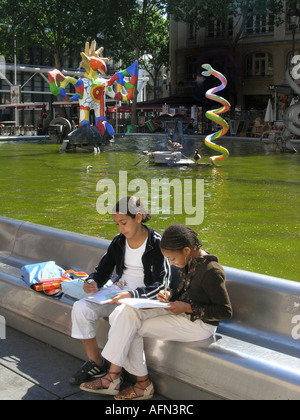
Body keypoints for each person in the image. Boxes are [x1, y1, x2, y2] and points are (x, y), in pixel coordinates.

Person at [80, 223, 232, 400]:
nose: (170, 263)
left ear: (186, 251)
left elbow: (224, 311)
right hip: (179, 311)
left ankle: (125, 380)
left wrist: (188, 307)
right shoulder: (187, 261)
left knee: (131, 326)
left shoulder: (211, 271)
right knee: (125, 313)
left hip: (199, 325)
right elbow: (184, 290)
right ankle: (128, 380)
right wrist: (169, 294)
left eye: (172, 259)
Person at [70, 196, 171, 385]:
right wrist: (92, 282)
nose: (120, 228)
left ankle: (116, 373)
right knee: (80, 308)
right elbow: (103, 270)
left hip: (140, 297)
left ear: (138, 217)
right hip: (119, 291)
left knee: (120, 315)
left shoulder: (156, 243)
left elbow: (161, 283)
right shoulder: (118, 242)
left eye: (124, 223)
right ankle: (96, 362)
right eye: (117, 224)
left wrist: (132, 295)